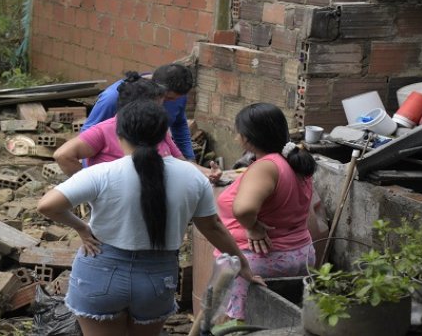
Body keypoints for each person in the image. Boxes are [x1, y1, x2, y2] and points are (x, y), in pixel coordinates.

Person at [38, 100, 264, 336]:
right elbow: (213, 227)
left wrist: (82, 228)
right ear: (164, 134)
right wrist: (244, 266)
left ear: (119, 133)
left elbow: (47, 206)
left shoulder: (102, 173)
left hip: (101, 272)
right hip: (157, 279)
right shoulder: (192, 176)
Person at [215, 103, 317, 324]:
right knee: (277, 323)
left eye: (238, 132)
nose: (236, 138)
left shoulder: (266, 167)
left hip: (260, 259)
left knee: (239, 325)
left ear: (249, 138)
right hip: (300, 254)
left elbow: (244, 209)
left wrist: (253, 227)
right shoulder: (296, 161)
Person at [53, 72, 185, 176]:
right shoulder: (106, 126)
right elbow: (63, 155)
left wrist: (201, 172)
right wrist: (90, 185)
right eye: (157, 106)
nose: (160, 111)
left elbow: (179, 161)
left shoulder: (156, 128)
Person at [81, 63, 195, 159]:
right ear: (155, 88)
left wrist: (190, 159)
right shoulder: (113, 97)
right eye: (168, 98)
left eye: (177, 99)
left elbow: (179, 125)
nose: (170, 102)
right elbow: (86, 136)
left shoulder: (178, 95)